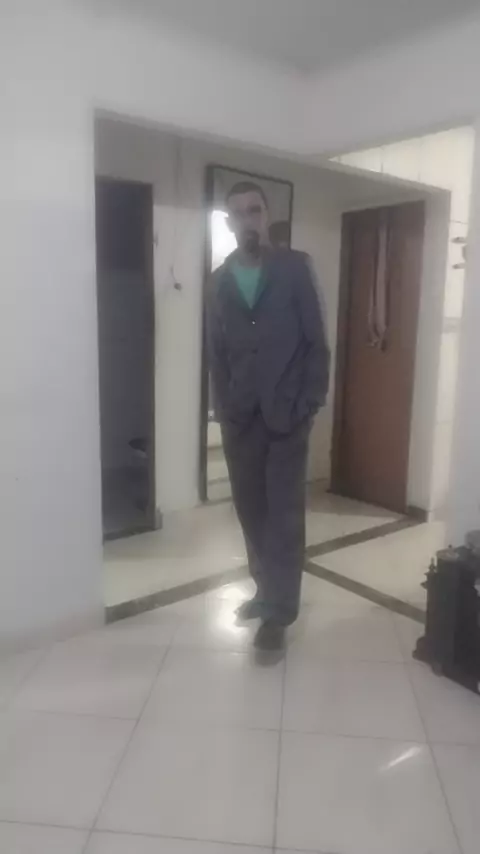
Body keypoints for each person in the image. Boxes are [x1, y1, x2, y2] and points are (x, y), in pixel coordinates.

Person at [207, 181, 330, 651]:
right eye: (238, 213)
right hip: (240, 418)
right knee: (250, 511)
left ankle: (280, 612)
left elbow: (317, 341)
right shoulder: (218, 281)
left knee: (283, 517)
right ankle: (264, 591)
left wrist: (310, 401)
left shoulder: (295, 268)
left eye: (254, 210)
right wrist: (223, 408)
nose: (248, 219)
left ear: (266, 214)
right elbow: (216, 353)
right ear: (229, 222)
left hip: (287, 416)